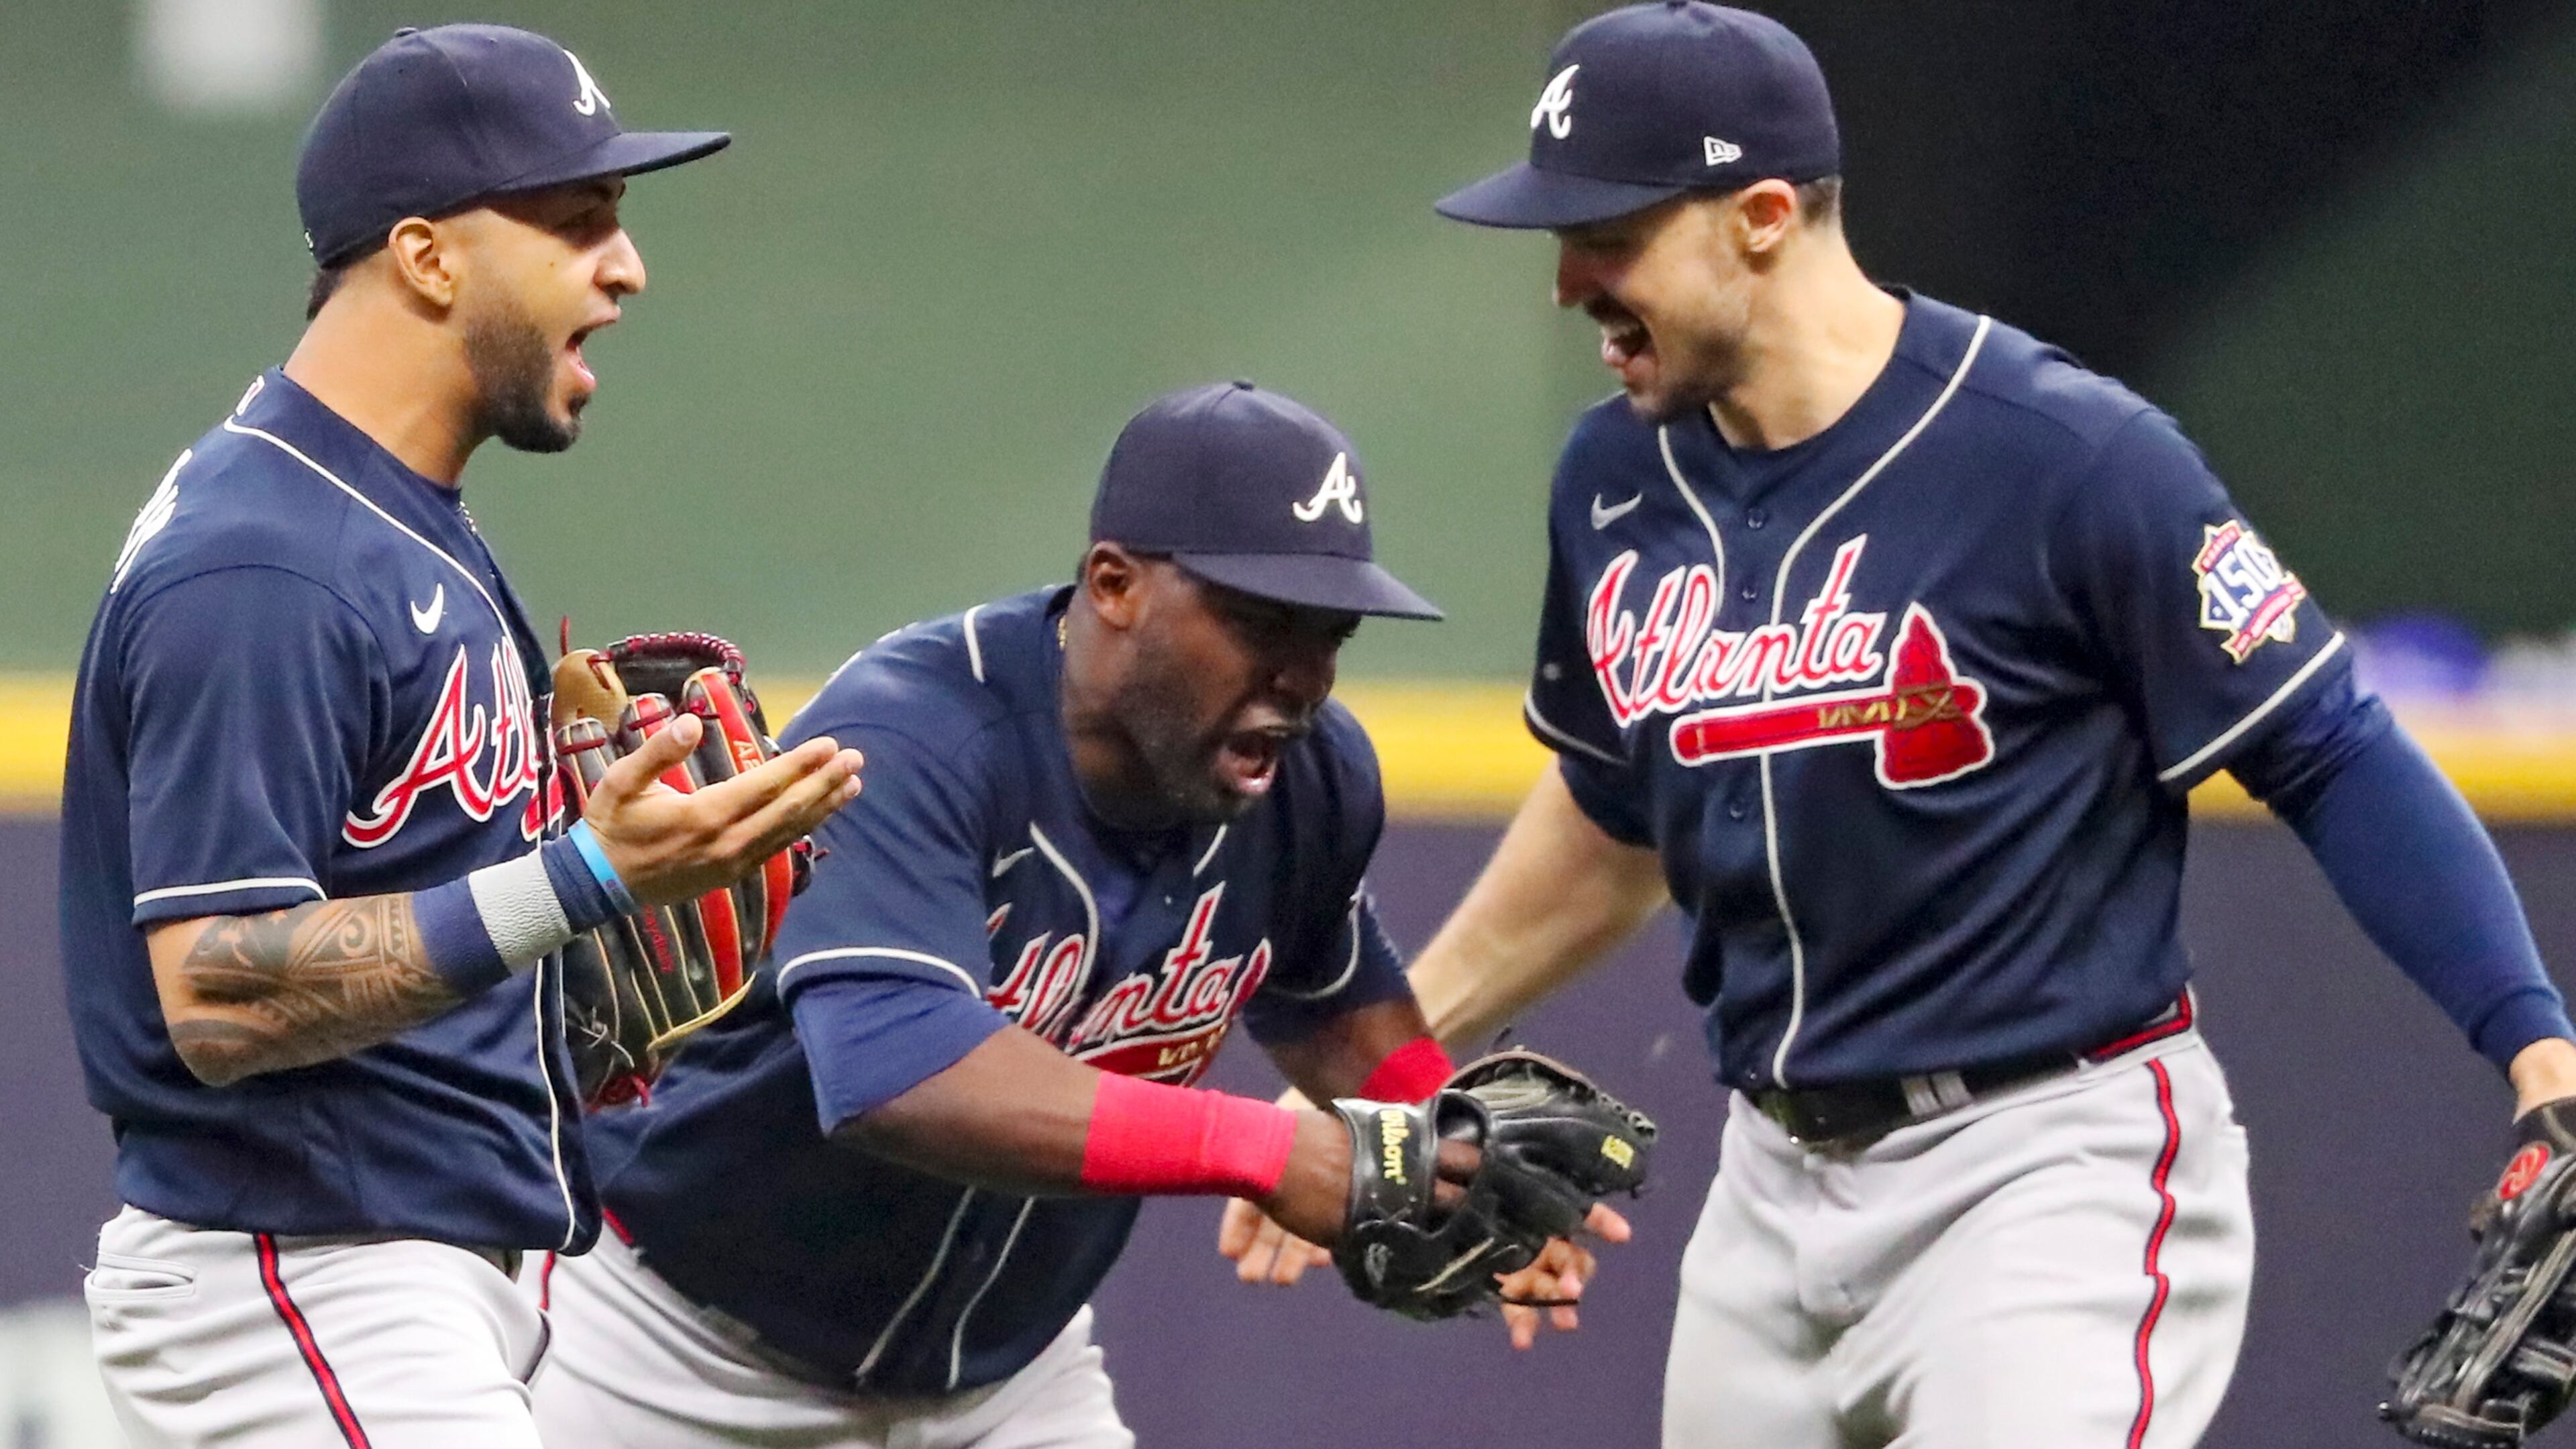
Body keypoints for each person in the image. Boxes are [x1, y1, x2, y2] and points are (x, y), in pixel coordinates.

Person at [1216, 5, 2576, 1444]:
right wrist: (1386, 1079)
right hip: (1771, 1189)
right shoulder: (1613, 478)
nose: (1568, 285)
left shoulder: (2069, 457)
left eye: (1606, 236)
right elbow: (1615, 809)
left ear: (1758, 217)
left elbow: (2328, 745)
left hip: (2048, 1168)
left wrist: (2540, 1056)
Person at [526, 382, 1615, 1448]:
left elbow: (1333, 1002)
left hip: (1009, 1385)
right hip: (673, 1357)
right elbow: (898, 1077)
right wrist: (1273, 1154)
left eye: (1332, 632)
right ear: (1114, 584)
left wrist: (1463, 1163)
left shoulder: (1310, 781)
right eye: (1260, 620)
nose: (1302, 676)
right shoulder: (914, 736)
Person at [59, 25, 863, 1447]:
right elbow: (215, 995)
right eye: (577, 223)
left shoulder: (395, 522)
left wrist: (569, 910)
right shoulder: (267, 562)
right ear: (428, 258)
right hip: (302, 1273)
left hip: (412, 1274)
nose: (625, 270)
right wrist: (584, 882)